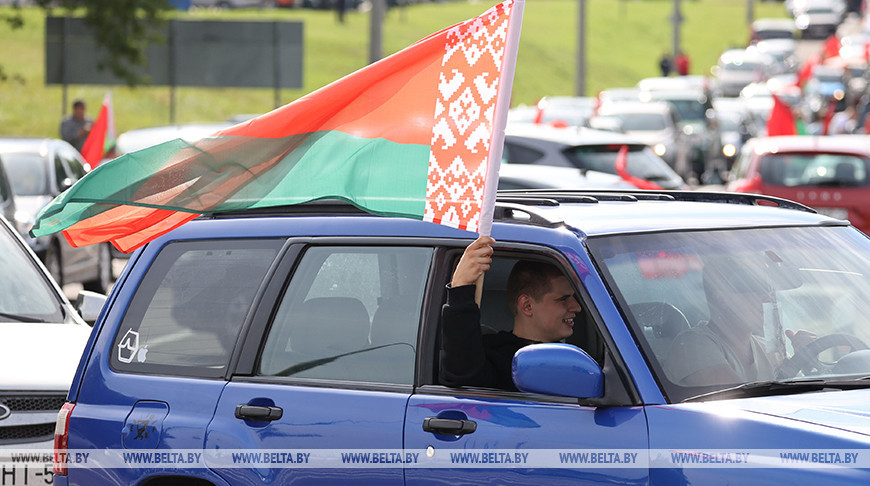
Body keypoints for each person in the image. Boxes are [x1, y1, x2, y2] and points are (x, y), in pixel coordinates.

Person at [439, 236, 582, 391]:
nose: (576, 307)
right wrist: (461, 288)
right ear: (527, 305)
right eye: (563, 299)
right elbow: (463, 375)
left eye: (573, 297)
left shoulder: (579, 361)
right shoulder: (494, 359)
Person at [665, 255, 814, 386]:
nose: (768, 297)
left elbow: (803, 400)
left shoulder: (769, 350)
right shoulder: (693, 346)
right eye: (755, 287)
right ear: (721, 298)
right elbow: (739, 403)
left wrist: (807, 362)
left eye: (769, 289)